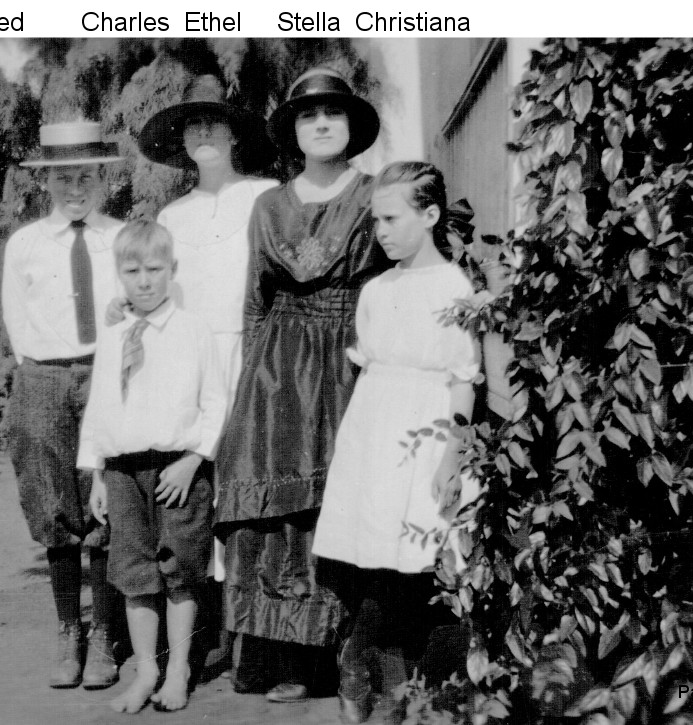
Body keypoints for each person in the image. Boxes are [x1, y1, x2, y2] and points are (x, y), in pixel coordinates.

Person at [213, 67, 392, 703]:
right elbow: (255, 300)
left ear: (351, 127)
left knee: (339, 503)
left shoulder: (377, 195)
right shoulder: (268, 205)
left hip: (350, 357)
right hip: (279, 369)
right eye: (308, 115)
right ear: (293, 130)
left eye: (333, 114)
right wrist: (249, 390)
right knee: (277, 509)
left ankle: (349, 657)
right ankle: (288, 657)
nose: (321, 124)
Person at [313, 161, 482, 723]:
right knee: (368, 557)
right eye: (375, 219)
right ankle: (361, 664)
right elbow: (369, 373)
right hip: (374, 432)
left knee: (410, 563)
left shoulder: (454, 288)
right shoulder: (376, 290)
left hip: (425, 431)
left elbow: (462, 380)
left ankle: (391, 682)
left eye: (391, 217)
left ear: (429, 215)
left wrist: (452, 458)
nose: (380, 230)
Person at [133, 73, 279, 680]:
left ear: (233, 132)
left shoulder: (266, 196)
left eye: (214, 122)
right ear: (182, 140)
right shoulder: (174, 213)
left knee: (251, 489)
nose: (204, 133)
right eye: (193, 124)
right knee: (199, 494)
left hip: (256, 353)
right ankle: (204, 635)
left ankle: (257, 638)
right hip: (196, 359)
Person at [79, 219, 229, 714]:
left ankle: (179, 668)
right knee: (134, 571)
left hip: (177, 470)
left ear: (173, 270)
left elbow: (215, 401)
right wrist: (98, 474)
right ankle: (146, 668)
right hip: (123, 470)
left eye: (155, 269)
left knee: (180, 568)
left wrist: (193, 460)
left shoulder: (193, 330)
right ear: (120, 275)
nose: (144, 280)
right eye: (132, 270)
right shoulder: (116, 332)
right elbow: (99, 407)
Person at [2, 121, 125, 690]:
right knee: (53, 505)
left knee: (104, 506)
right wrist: (43, 375)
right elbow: (17, 320)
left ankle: (104, 633)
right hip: (44, 379)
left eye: (86, 175)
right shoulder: (26, 243)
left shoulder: (121, 238)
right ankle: (67, 632)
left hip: (106, 372)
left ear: (102, 178)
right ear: (46, 182)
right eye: (64, 177)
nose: (76, 187)